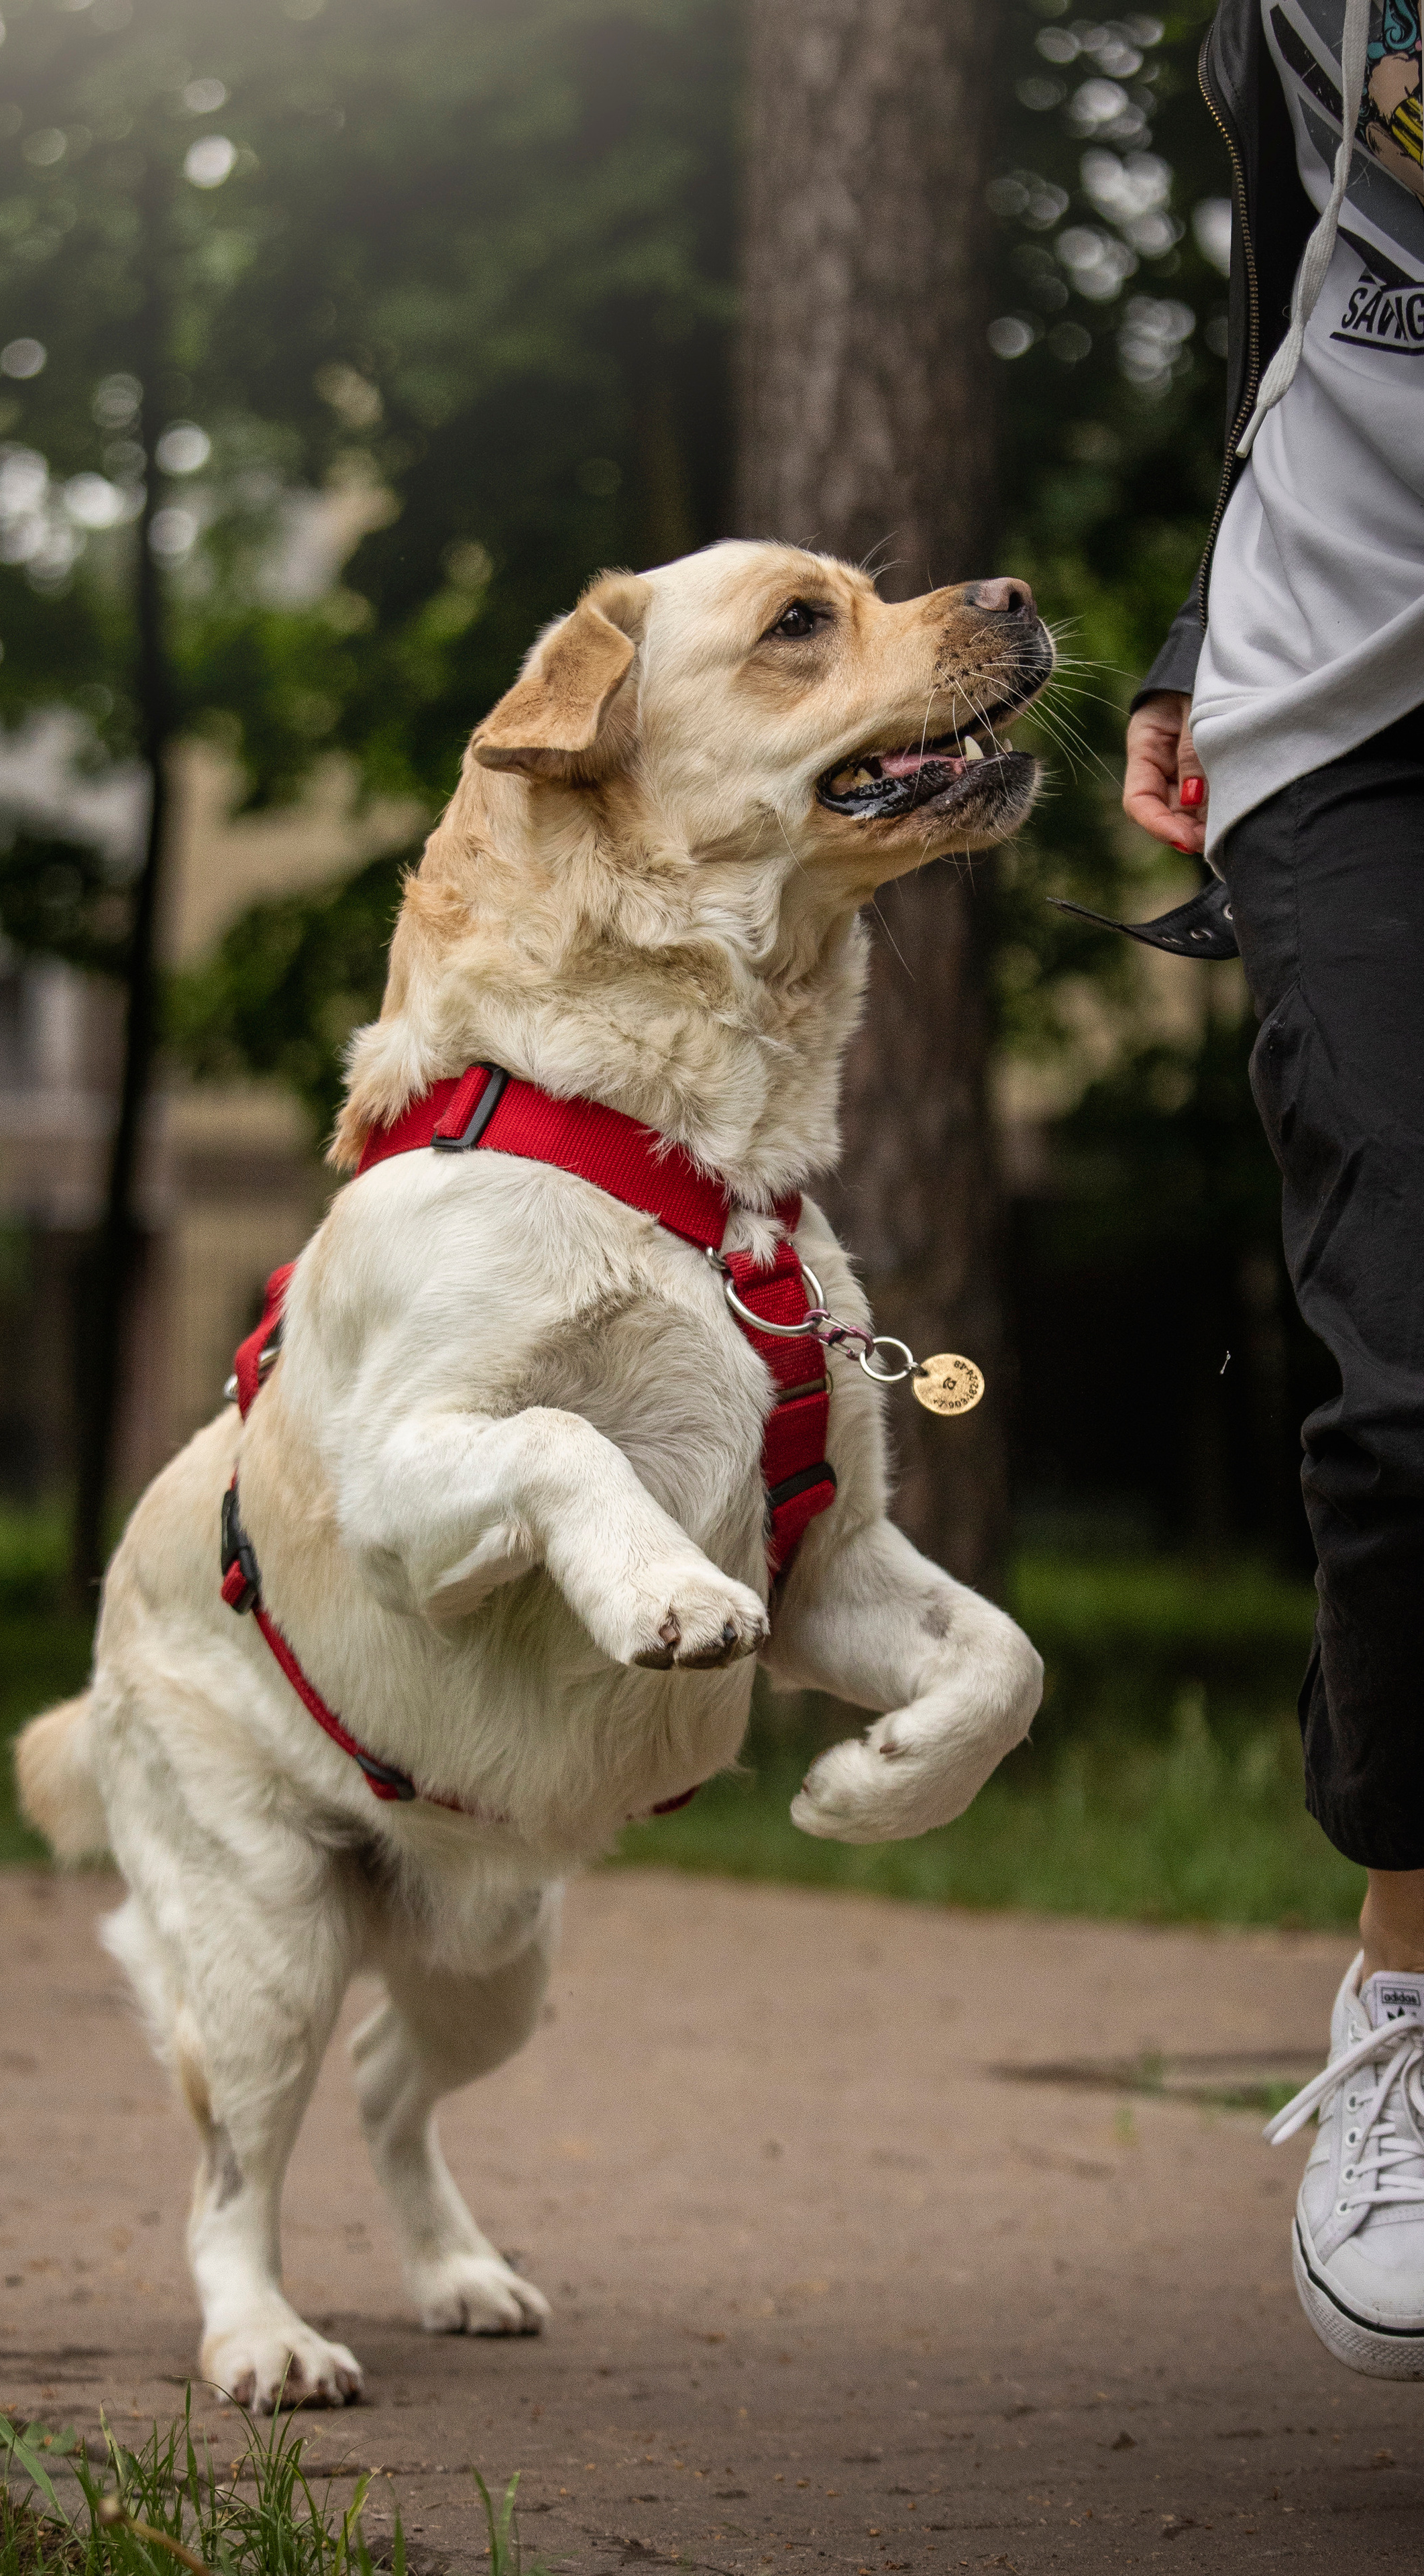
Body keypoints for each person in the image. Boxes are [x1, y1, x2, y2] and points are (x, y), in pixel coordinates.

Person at [1122, 0, 1424, 2378]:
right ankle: (1411, 2009)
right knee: (1412, 1384)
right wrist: (1200, 634)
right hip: (1343, 689)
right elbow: (1302, 264)